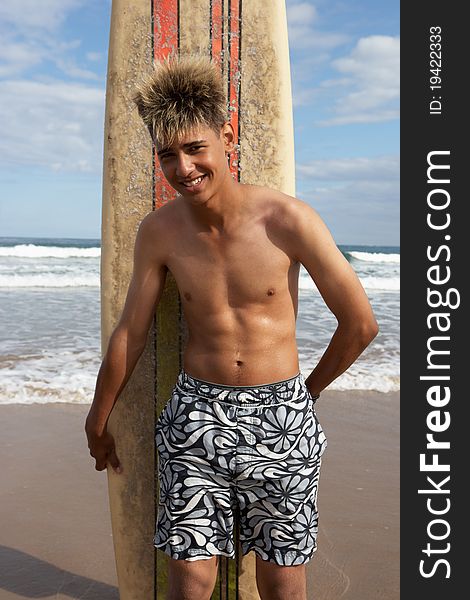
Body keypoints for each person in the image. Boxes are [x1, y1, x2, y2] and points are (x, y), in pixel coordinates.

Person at [85, 55, 378, 600]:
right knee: (191, 583)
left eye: (195, 148)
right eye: (167, 155)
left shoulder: (288, 220)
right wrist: (97, 417)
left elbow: (360, 323)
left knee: (282, 580)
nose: (183, 168)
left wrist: (304, 394)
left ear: (227, 135)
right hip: (196, 416)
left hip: (282, 418)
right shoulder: (160, 232)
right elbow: (131, 332)